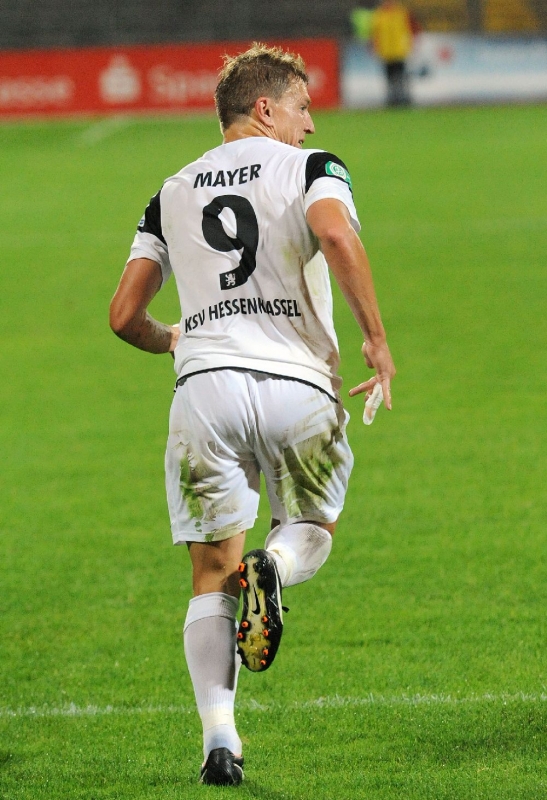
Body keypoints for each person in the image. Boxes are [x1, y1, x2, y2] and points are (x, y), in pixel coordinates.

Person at [109, 42, 395, 787]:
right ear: (265, 109)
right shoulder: (311, 166)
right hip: (298, 385)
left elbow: (122, 315)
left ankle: (220, 741)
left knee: (211, 574)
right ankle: (276, 565)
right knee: (311, 528)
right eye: (301, 107)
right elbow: (335, 233)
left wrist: (178, 338)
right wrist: (375, 339)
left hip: (204, 392)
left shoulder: (170, 190)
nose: (310, 124)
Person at [371, 0, 414, 106]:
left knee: (400, 76)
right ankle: (392, 98)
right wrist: (375, 46)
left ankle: (403, 97)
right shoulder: (379, 14)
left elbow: (408, 29)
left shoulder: (401, 13)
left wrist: (409, 45)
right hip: (386, 51)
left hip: (399, 50)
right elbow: (375, 32)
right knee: (389, 76)